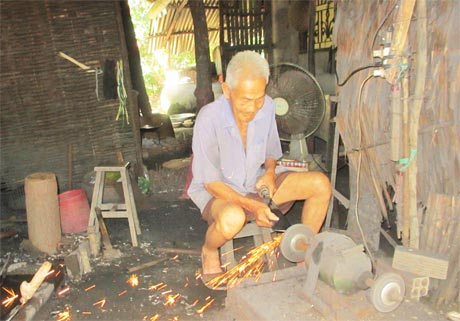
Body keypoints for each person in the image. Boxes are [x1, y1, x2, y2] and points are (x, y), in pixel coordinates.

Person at [187, 51, 332, 286]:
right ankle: (209, 250)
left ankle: (301, 251)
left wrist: (269, 174)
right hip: (218, 191)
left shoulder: (266, 107)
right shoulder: (209, 118)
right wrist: (253, 206)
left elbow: (272, 152)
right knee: (232, 218)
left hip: (254, 183)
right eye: (245, 100)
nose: (253, 107)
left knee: (320, 184)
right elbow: (211, 182)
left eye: (259, 98)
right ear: (226, 90)